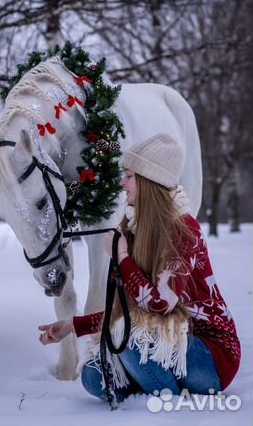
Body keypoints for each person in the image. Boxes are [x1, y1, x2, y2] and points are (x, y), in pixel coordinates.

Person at [38, 133, 241, 402]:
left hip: (208, 352)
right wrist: (72, 326)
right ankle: (152, 380)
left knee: (131, 341)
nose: (123, 182)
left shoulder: (184, 230)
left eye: (130, 175)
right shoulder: (134, 228)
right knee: (93, 375)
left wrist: (122, 257)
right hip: (161, 342)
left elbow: (159, 305)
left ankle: (165, 405)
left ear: (149, 181)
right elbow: (126, 310)